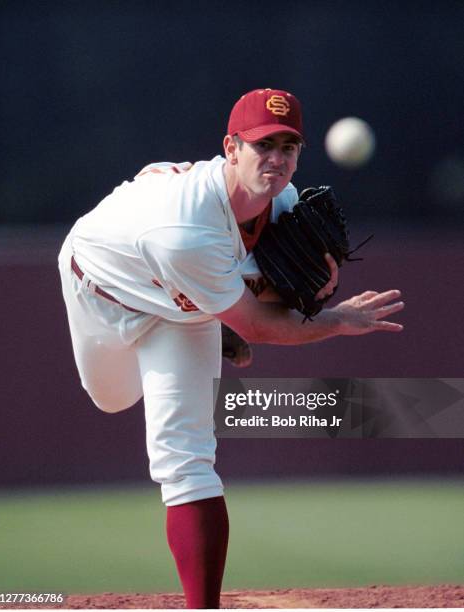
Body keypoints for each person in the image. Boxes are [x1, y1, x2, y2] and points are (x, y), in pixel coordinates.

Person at [58, 88, 404, 608]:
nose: (277, 158)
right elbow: (261, 327)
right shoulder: (183, 228)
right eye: (263, 144)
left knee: (185, 457)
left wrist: (313, 293)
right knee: (111, 397)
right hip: (104, 291)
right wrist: (332, 320)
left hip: (185, 308)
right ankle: (220, 311)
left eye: (289, 146)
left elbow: (276, 304)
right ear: (230, 148)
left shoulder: (285, 203)